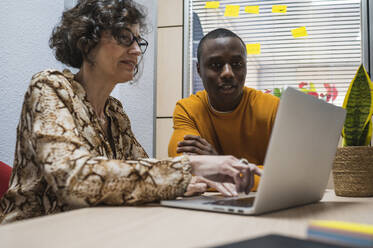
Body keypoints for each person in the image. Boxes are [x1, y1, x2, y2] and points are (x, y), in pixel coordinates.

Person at [0, 1, 259, 224]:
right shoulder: (50, 86)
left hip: (90, 230)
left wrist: (198, 175)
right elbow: (74, 179)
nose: (136, 50)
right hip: (32, 234)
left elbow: (139, 169)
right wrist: (190, 165)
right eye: (124, 37)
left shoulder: (115, 112)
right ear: (85, 41)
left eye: (138, 40)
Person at [168, 28, 279, 190]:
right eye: (216, 65)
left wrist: (218, 165)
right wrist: (245, 176)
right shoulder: (188, 109)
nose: (228, 73)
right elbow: (183, 169)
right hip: (209, 206)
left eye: (236, 64)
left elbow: (285, 176)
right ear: (199, 69)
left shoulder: (273, 108)